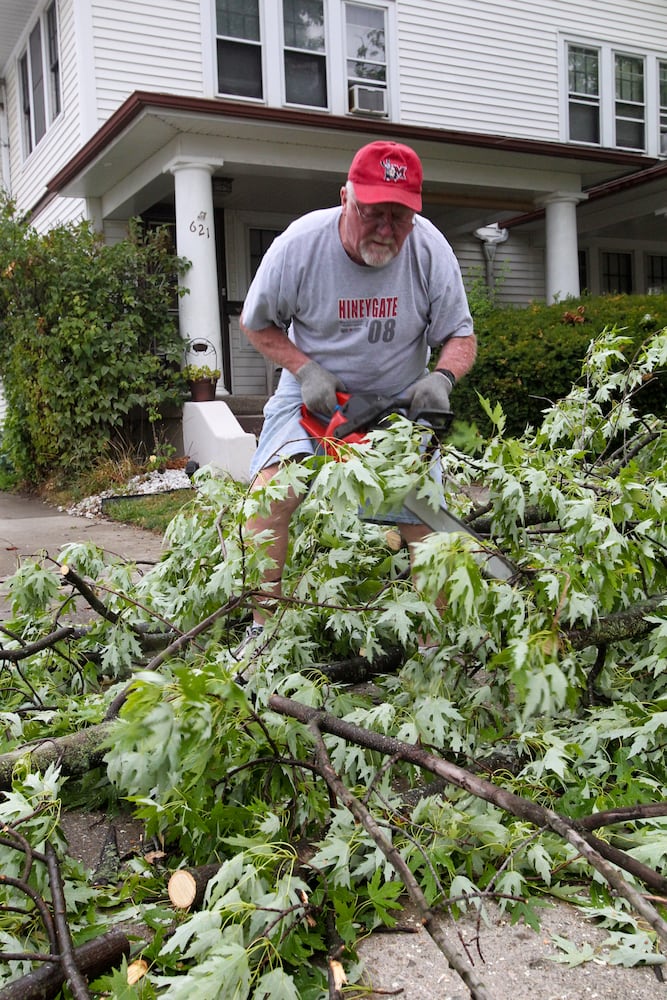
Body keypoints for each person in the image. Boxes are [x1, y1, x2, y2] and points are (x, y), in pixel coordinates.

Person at [237, 140, 476, 654]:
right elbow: (256, 325)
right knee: (268, 496)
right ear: (346, 198)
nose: (387, 229)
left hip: (397, 404)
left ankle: (434, 650)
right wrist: (305, 368)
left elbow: (460, 335)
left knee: (426, 518)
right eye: (373, 213)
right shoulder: (300, 245)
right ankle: (262, 634)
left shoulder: (430, 249)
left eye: (400, 216)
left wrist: (442, 380)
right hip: (314, 396)